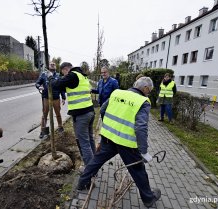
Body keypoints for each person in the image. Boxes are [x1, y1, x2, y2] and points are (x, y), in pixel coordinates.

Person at [77, 77, 161, 208]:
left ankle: (82, 183)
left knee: (96, 160)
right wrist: (143, 151)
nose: (148, 93)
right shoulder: (143, 101)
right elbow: (141, 127)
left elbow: (103, 110)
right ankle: (149, 198)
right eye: (149, 90)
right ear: (145, 88)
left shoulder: (117, 93)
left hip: (108, 137)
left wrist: (109, 127)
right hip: (127, 145)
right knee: (138, 171)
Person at [48, 62, 95, 167]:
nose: (64, 75)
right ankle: (94, 163)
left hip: (81, 114)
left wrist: (50, 78)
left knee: (84, 143)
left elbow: (56, 84)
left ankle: (90, 170)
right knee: (90, 139)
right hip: (90, 112)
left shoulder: (72, 75)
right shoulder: (82, 76)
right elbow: (64, 86)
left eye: (63, 73)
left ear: (66, 69)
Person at [35, 62, 66, 138]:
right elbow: (37, 83)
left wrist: (63, 97)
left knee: (58, 113)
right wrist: (39, 87)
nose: (52, 65)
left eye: (54, 64)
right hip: (46, 98)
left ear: (56, 67)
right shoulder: (43, 74)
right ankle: (43, 130)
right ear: (48, 66)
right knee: (44, 115)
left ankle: (60, 127)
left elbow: (61, 88)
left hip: (56, 98)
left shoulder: (58, 76)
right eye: (51, 64)